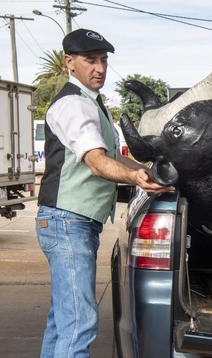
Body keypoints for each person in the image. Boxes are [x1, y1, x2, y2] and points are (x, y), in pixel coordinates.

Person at [35, 28, 174, 358]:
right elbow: (97, 163)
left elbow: (112, 158)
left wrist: (148, 169)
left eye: (103, 60)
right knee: (79, 322)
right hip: (67, 221)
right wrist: (137, 178)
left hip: (71, 222)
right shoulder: (73, 105)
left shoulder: (92, 104)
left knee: (62, 320)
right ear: (69, 62)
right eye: (90, 60)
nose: (99, 68)